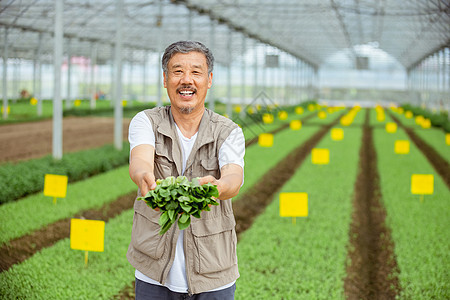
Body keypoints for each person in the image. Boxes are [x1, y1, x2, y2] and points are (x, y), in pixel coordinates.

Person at [127, 40, 245, 299]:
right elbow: (140, 160)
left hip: (213, 273)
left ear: (209, 79)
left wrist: (219, 187)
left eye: (195, 72)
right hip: (153, 273)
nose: (186, 80)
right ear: (165, 78)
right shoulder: (146, 121)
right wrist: (143, 176)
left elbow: (234, 176)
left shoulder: (229, 131)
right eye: (178, 71)